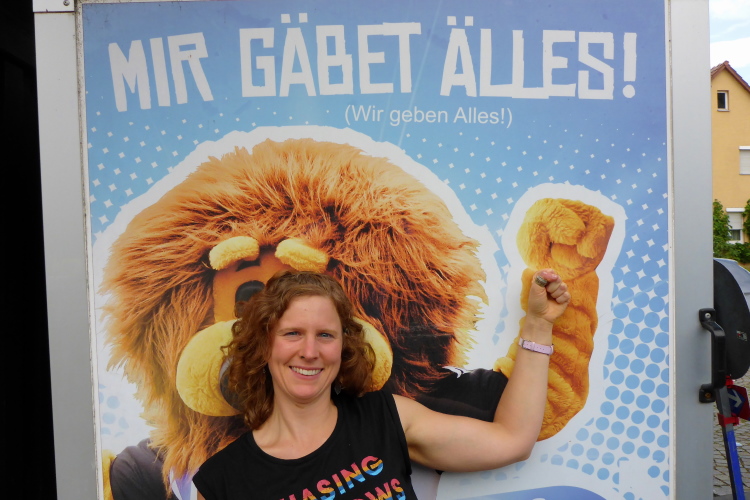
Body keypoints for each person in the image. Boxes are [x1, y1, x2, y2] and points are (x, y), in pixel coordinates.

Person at [193, 269, 570, 500]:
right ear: (264, 345)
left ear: (343, 347)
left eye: (325, 335)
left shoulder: (386, 418)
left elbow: (513, 439)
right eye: (292, 333)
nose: (309, 352)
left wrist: (539, 325)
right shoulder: (223, 480)